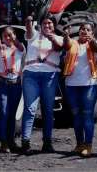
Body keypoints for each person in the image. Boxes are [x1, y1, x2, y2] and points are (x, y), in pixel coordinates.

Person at [21, 15, 63, 154]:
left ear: (54, 25)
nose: (47, 25)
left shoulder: (60, 38)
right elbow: (28, 31)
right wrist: (28, 22)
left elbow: (58, 48)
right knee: (30, 109)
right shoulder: (34, 35)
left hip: (49, 76)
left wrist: (52, 37)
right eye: (44, 23)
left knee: (48, 110)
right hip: (31, 75)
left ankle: (47, 142)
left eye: (50, 23)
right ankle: (25, 142)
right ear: (40, 25)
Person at [62, 22, 97, 157]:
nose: (84, 31)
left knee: (87, 114)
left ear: (92, 33)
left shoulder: (94, 44)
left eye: (88, 30)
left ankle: (88, 145)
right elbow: (66, 45)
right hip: (71, 84)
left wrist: (93, 40)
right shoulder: (72, 43)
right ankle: (79, 144)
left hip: (89, 84)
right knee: (76, 114)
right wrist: (66, 35)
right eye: (82, 29)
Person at [0, 26, 25, 153]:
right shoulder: (0, 48)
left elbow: (22, 48)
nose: (7, 38)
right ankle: (3, 142)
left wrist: (15, 40)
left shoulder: (19, 49)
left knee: (12, 114)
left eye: (10, 35)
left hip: (16, 85)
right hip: (3, 84)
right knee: (4, 112)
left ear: (14, 36)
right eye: (5, 36)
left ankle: (11, 141)